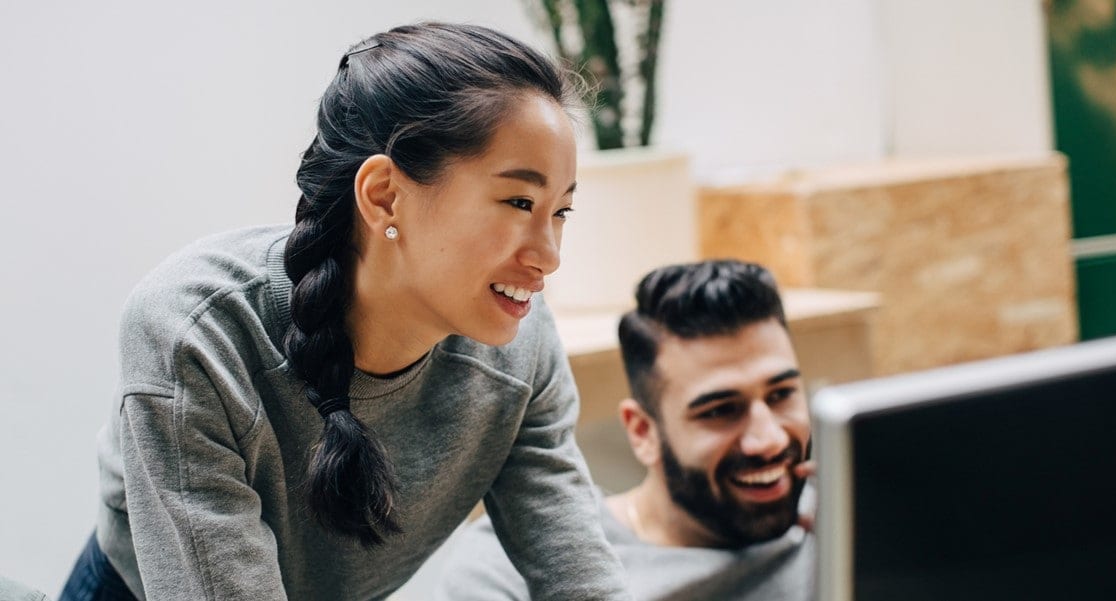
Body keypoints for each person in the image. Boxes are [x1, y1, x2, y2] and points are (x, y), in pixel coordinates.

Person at [60, 23, 630, 601]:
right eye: (519, 202)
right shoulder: (197, 334)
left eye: (561, 212)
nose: (549, 258)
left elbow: (578, 571)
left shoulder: (524, 349)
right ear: (385, 194)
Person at [434, 260, 817, 601]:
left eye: (781, 394)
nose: (770, 439)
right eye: (720, 411)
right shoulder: (512, 564)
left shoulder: (838, 527)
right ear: (643, 432)